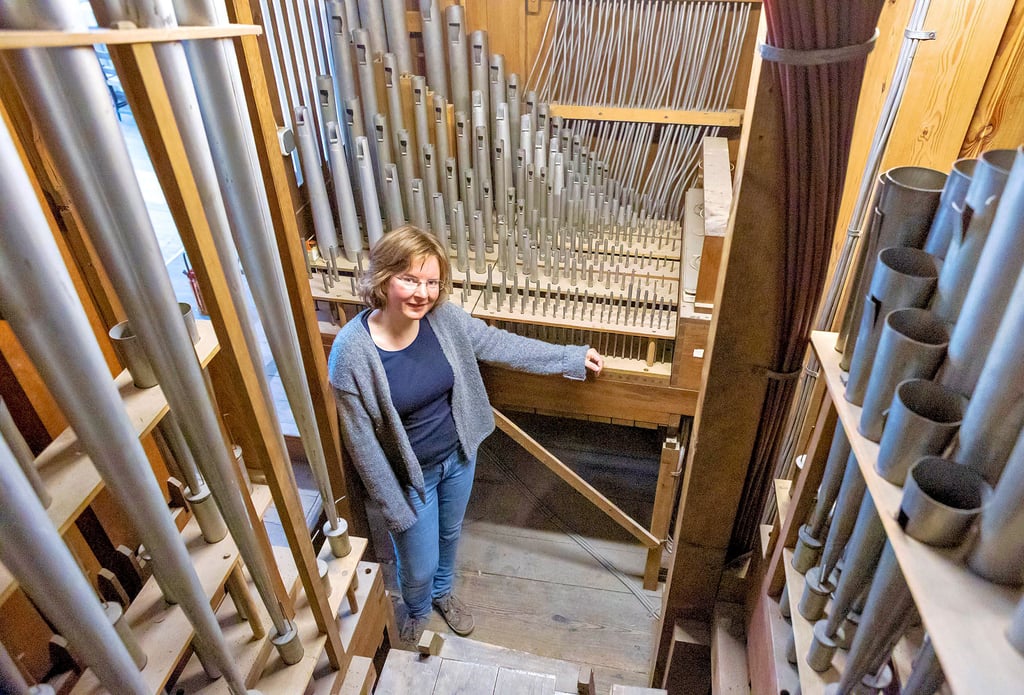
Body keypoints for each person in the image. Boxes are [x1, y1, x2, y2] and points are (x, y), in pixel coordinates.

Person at [328, 226, 604, 643]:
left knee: (450, 533)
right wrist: (395, 510)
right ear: (383, 278)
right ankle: (417, 606)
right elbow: (362, 444)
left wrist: (570, 357)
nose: (423, 293)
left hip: (458, 458)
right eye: (409, 279)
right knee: (417, 564)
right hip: (410, 478)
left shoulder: (445, 319)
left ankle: (443, 594)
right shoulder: (351, 353)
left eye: (432, 282)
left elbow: (501, 345)